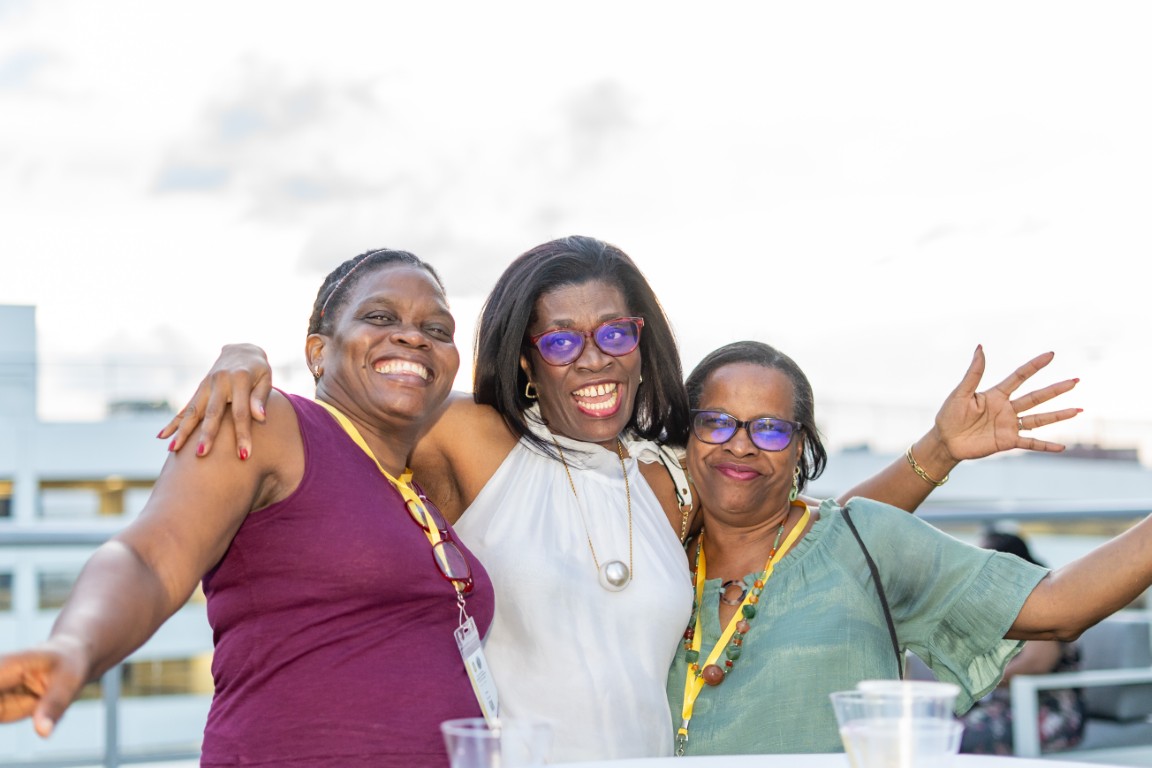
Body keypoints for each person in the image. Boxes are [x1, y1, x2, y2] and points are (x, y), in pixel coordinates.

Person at [157, 235, 1080, 762]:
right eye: (560, 340)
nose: (591, 357)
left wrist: (935, 454)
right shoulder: (472, 439)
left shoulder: (668, 480)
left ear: (643, 342)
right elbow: (364, 402)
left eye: (614, 333)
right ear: (527, 356)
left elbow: (810, 538)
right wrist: (250, 358)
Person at [0, 249, 495, 768]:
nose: (414, 337)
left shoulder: (416, 488)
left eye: (437, 329)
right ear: (318, 351)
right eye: (380, 316)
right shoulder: (268, 422)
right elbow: (151, 556)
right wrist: (76, 645)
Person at [668, 340, 1148, 756]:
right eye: (716, 422)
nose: (741, 445)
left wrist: (940, 447)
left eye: (770, 428)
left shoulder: (864, 541)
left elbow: (1059, 607)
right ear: (686, 436)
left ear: (800, 448)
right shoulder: (655, 554)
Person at [959, 529, 1086, 754]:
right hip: (1002, 706)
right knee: (928, 727)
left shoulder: (1040, 600)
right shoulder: (997, 605)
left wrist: (974, 682)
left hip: (1045, 711)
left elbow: (1035, 664)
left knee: (954, 737)